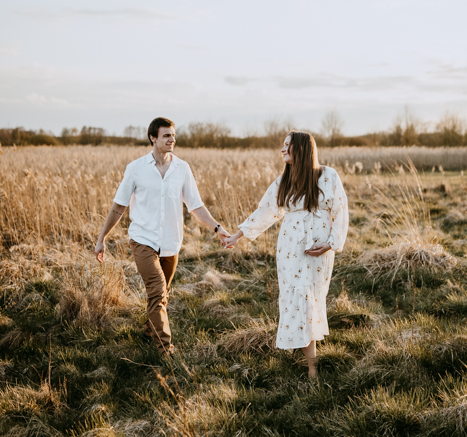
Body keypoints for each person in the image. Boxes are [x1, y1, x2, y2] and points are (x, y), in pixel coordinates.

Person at [94, 116, 229, 356]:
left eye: (173, 135)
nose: (171, 139)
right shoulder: (135, 168)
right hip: (143, 239)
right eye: (166, 135)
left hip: (171, 242)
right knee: (157, 289)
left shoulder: (182, 168)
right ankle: (165, 349)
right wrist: (102, 237)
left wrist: (217, 228)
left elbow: (196, 206)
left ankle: (149, 330)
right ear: (153, 138)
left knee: (162, 294)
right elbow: (119, 206)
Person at [221, 131, 348, 377]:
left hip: (318, 249)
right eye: (283, 145)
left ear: (301, 149)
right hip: (291, 249)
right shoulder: (284, 180)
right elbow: (265, 211)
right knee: (297, 299)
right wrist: (237, 235)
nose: (282, 149)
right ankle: (311, 364)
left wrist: (332, 243)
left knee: (312, 297)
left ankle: (310, 360)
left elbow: (341, 211)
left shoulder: (328, 176)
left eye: (287, 145)